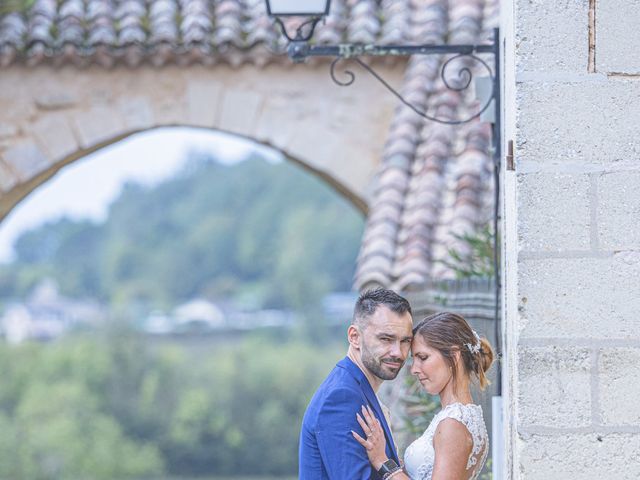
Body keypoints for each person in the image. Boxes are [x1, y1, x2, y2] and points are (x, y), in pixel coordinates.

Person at [353, 311, 495, 480]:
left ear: (454, 356)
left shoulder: (453, 424)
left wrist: (382, 462)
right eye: (414, 359)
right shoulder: (462, 416)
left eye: (423, 357)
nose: (414, 369)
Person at [299, 288, 414, 479]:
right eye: (386, 339)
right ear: (354, 337)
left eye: (405, 341)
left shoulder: (357, 387)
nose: (398, 352)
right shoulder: (341, 398)